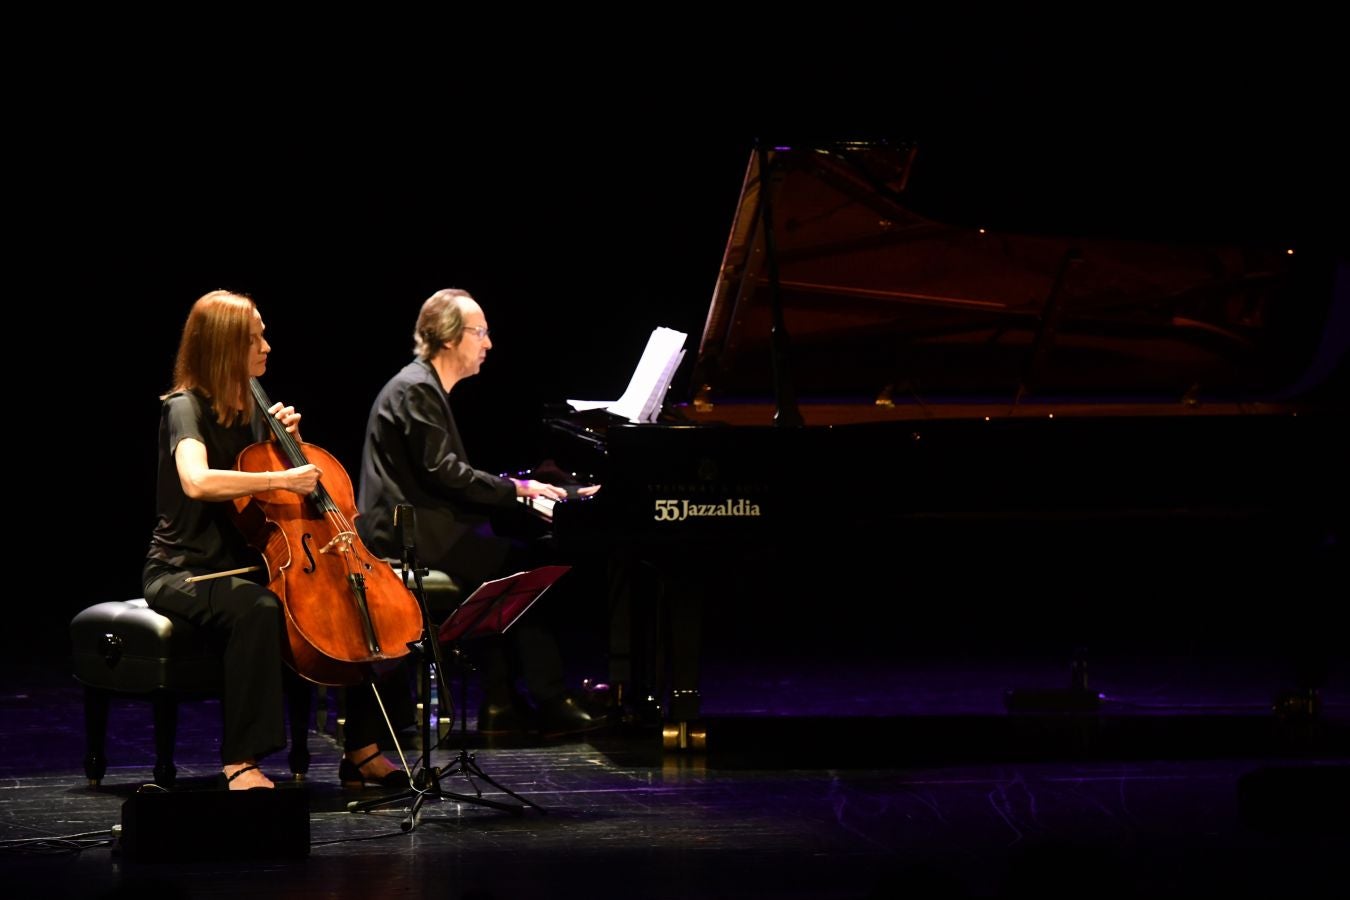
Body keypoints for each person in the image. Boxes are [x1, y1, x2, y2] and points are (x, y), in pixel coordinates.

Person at [142, 289, 409, 790]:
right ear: (224, 345)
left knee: (359, 598)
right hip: (186, 570)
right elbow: (196, 480)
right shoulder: (184, 407)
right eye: (254, 338)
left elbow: (279, 504)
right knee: (258, 609)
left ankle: (364, 749)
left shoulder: (252, 408)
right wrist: (281, 477)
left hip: (252, 564)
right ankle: (240, 760)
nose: (266, 346)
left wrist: (288, 446)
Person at [356, 288, 603, 737]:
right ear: (449, 337)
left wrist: (527, 488)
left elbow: (445, 472)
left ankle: (501, 702)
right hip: (406, 535)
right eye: (480, 332)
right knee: (523, 566)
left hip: (421, 526)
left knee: (506, 562)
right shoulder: (417, 389)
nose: (488, 343)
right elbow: (445, 472)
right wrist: (518, 488)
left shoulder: (423, 386)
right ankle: (545, 699)